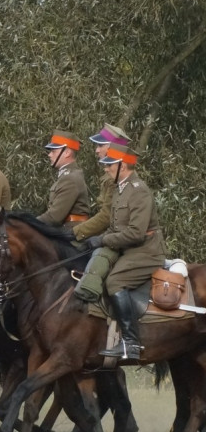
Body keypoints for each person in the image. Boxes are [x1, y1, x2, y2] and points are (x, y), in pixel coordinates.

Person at [83, 140, 165, 360]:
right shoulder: (120, 190)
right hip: (129, 249)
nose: (106, 167)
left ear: (123, 165)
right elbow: (115, 225)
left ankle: (131, 343)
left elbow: (136, 233)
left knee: (114, 281)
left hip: (147, 251)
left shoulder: (139, 191)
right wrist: (96, 240)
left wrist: (103, 240)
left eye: (111, 164)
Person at [72, 124, 132, 302]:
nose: (96, 150)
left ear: (112, 148)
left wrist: (76, 233)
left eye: (100, 146)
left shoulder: (116, 178)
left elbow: (106, 216)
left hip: (120, 239)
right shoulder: (110, 176)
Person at [37, 130, 91, 227]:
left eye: (53, 151)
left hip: (71, 235)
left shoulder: (70, 178)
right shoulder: (67, 176)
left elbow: (54, 217)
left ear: (67, 153)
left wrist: (28, 223)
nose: (49, 155)